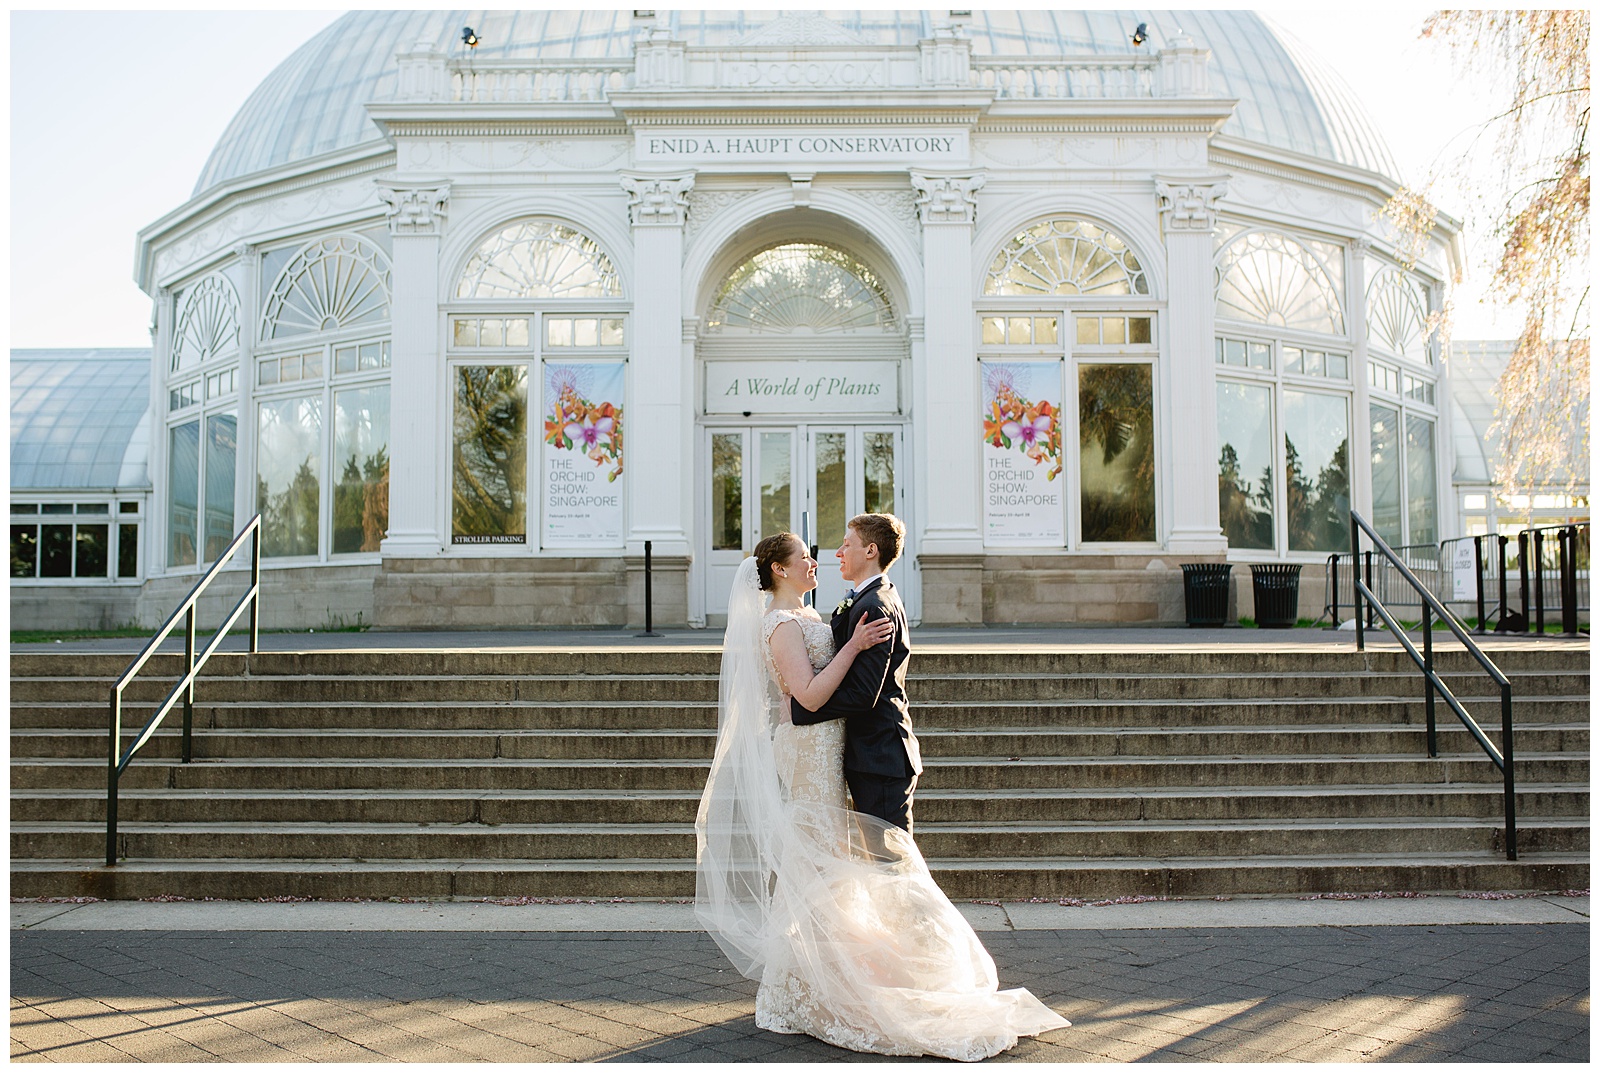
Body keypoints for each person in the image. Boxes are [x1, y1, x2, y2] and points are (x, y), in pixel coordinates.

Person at [695, 529, 1070, 1061]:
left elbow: (818, 689)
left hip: (830, 746)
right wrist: (848, 647)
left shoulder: (810, 615)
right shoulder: (780, 623)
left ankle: (822, 974)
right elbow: (808, 693)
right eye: (805, 556)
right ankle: (810, 983)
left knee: (827, 854)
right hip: (808, 749)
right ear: (779, 569)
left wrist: (829, 663)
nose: (818, 560)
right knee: (818, 854)